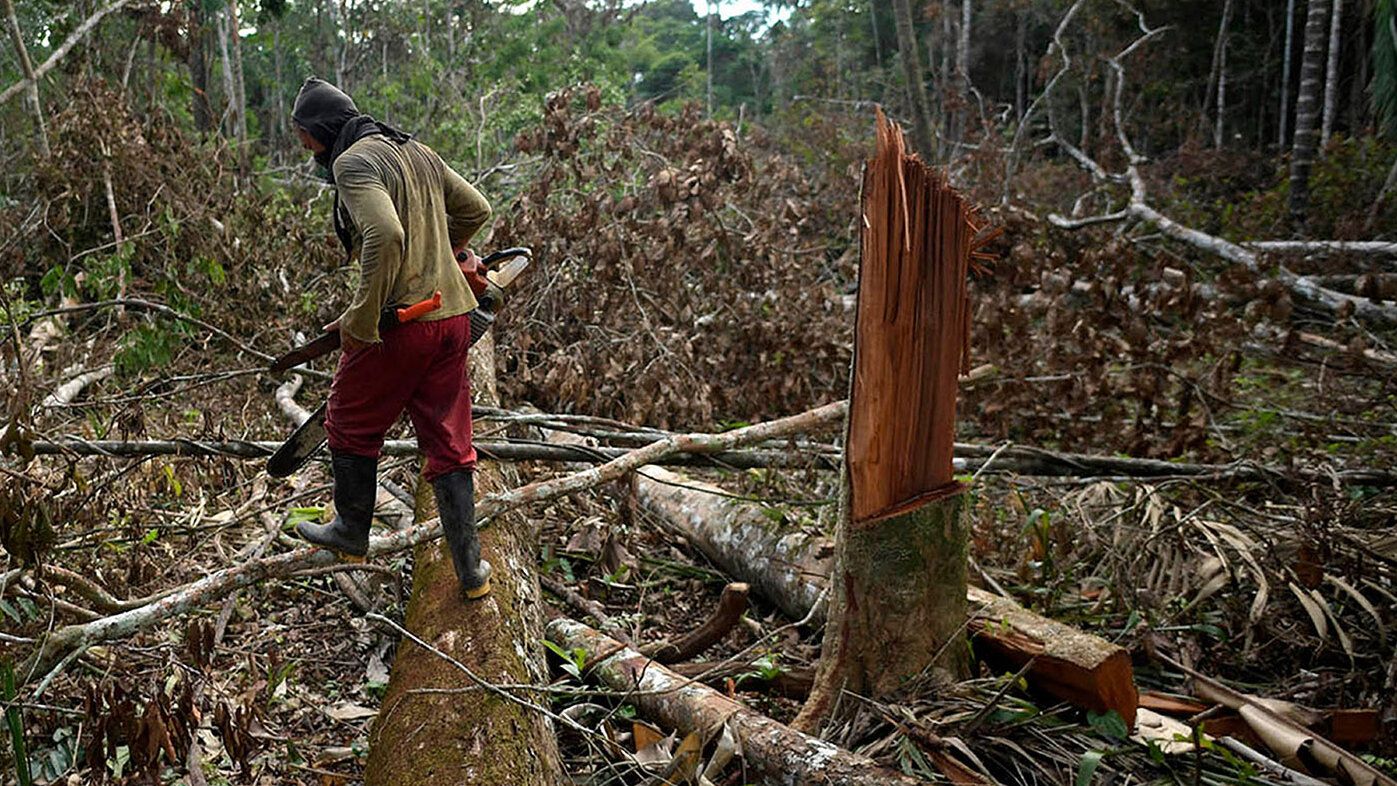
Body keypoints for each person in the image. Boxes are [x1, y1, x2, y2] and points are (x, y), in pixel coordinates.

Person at [289, 76, 494, 600]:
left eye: (304, 137)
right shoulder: (417, 151)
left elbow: (385, 235)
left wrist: (360, 321)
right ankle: (470, 572)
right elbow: (476, 209)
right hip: (451, 320)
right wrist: (444, 258)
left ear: (320, 130)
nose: (305, 148)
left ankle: (350, 531)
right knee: (451, 445)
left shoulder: (353, 162)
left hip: (400, 326)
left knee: (349, 422)